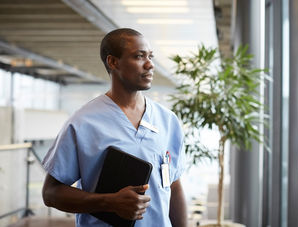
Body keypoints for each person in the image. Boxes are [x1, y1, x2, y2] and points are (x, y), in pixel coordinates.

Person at [41, 28, 188, 227]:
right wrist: (109, 202)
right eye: (139, 56)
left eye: (150, 56)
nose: (149, 64)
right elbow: (51, 193)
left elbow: (174, 185)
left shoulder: (168, 121)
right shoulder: (83, 123)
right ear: (113, 62)